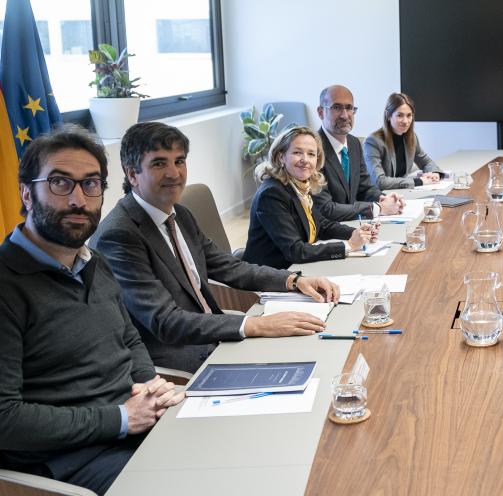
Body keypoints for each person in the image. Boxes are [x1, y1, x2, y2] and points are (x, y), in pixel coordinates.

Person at [0, 126, 183, 494]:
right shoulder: (7, 285)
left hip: (135, 425)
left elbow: (128, 338)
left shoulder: (92, 260)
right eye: (60, 183)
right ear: (27, 193)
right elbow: (6, 418)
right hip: (69, 462)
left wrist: (150, 384)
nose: (78, 200)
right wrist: (119, 419)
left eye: (91, 184)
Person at [94, 122, 340, 374]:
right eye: (159, 164)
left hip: (215, 333)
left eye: (179, 161)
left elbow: (229, 266)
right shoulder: (120, 235)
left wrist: (294, 280)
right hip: (180, 357)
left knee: (324, 351)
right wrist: (255, 325)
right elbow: (165, 321)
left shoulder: (179, 214)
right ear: (132, 174)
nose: (174, 173)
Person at [244, 125, 375, 269]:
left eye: (311, 154)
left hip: (296, 270)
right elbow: (295, 251)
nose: (305, 160)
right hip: (270, 278)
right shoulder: (271, 194)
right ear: (281, 156)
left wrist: (356, 233)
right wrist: (348, 245)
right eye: (297, 152)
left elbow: (322, 226)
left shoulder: (300, 185)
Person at [313, 84, 404, 220]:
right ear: (321, 112)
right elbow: (326, 208)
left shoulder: (354, 143)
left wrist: (383, 198)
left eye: (349, 108)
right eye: (336, 107)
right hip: (327, 232)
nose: (344, 115)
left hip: (355, 227)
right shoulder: (312, 149)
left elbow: (364, 188)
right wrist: (376, 208)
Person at [364, 92, 443, 190]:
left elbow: (426, 162)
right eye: (400, 115)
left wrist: (434, 173)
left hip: (403, 192)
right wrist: (419, 181)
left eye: (409, 115)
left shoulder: (411, 137)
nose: (405, 121)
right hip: (381, 197)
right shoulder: (373, 141)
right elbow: (379, 182)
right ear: (388, 115)